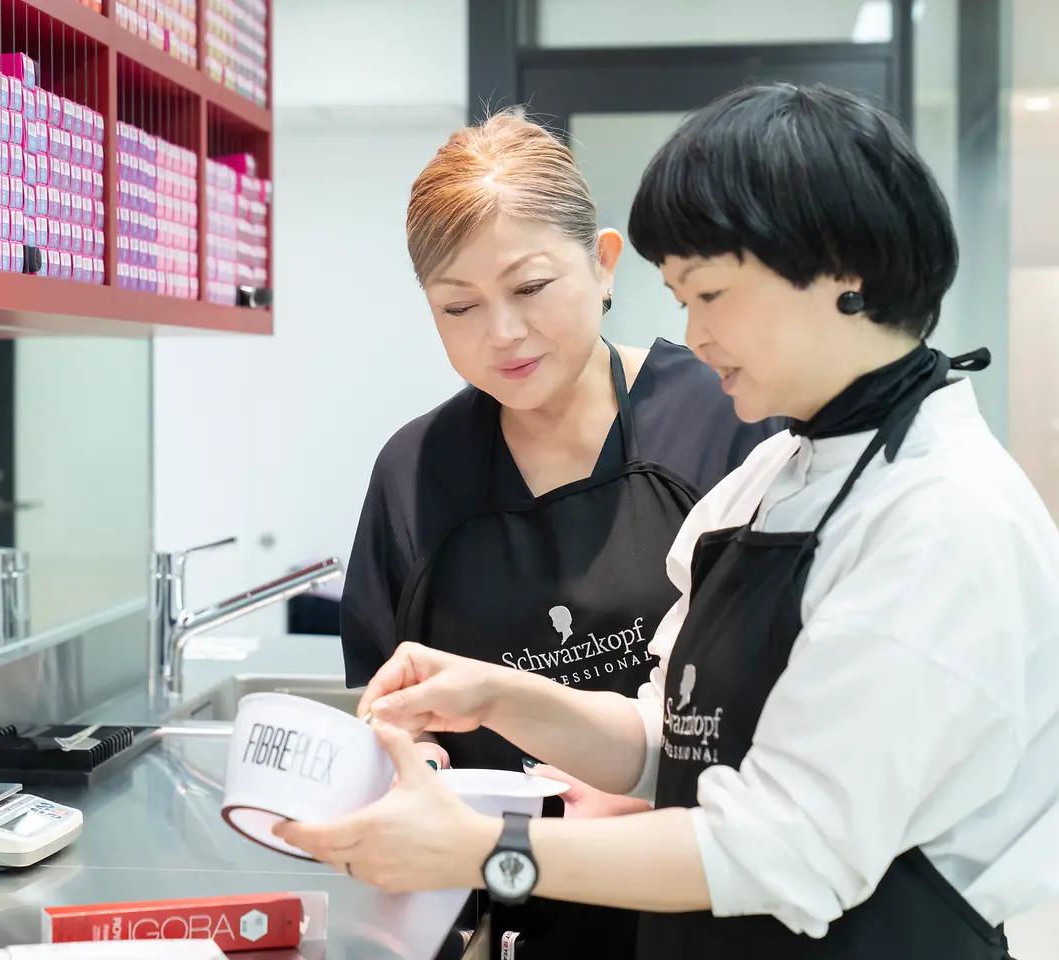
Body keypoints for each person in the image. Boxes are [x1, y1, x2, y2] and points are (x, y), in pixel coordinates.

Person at [284, 82, 1059, 959]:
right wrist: (498, 694)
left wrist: (489, 852)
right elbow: (675, 741)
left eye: (712, 294)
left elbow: (784, 848)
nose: (690, 333)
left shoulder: (942, 516)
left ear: (846, 274)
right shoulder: (778, 473)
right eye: (682, 297)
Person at [338, 109, 782, 958]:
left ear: (604, 262)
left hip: (717, 907)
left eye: (531, 288)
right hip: (509, 915)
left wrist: (657, 787)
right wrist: (422, 774)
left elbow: (791, 699)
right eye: (457, 306)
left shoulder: (725, 421)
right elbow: (391, 707)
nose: (500, 333)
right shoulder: (415, 473)